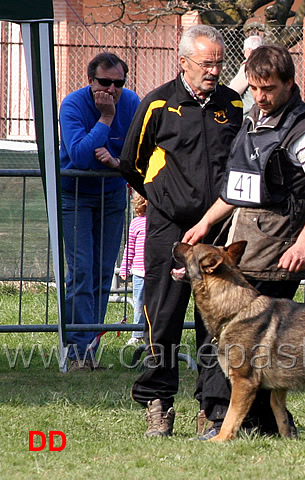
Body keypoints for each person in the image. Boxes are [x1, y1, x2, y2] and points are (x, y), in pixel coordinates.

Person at [182, 44, 305, 440]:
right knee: (227, 340)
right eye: (254, 88)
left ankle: (223, 422)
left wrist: (304, 243)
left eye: (268, 88)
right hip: (243, 247)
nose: (260, 96)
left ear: (290, 83)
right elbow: (242, 189)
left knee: (237, 343)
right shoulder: (255, 118)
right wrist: (205, 223)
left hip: (276, 254)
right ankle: (265, 425)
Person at [119, 25, 243, 437]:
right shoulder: (158, 102)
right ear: (184, 61)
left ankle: (214, 408)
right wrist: (163, 198)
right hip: (168, 229)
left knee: (217, 319)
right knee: (165, 315)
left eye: (219, 63)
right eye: (206, 63)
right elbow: (131, 162)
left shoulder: (233, 103)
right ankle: (158, 401)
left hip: (218, 228)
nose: (213, 70)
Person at [59, 52, 140, 372]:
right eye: (104, 82)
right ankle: (76, 350)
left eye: (118, 83)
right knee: (81, 271)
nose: (112, 89)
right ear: (90, 81)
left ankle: (89, 347)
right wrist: (106, 118)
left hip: (112, 196)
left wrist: (118, 163)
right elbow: (78, 155)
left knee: (102, 272)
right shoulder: (74, 105)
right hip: (75, 195)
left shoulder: (131, 102)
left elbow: (137, 153)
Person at [119, 191, 148, 346]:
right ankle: (137, 334)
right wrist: (125, 268)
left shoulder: (163, 223)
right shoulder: (136, 223)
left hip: (156, 272)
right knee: (139, 303)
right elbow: (129, 248)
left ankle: (152, 333)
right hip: (140, 272)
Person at [229, 35, 264, 117]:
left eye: (244, 51)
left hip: (249, 113)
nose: (244, 54)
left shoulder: (248, 66)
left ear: (249, 50)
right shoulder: (268, 64)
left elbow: (234, 90)